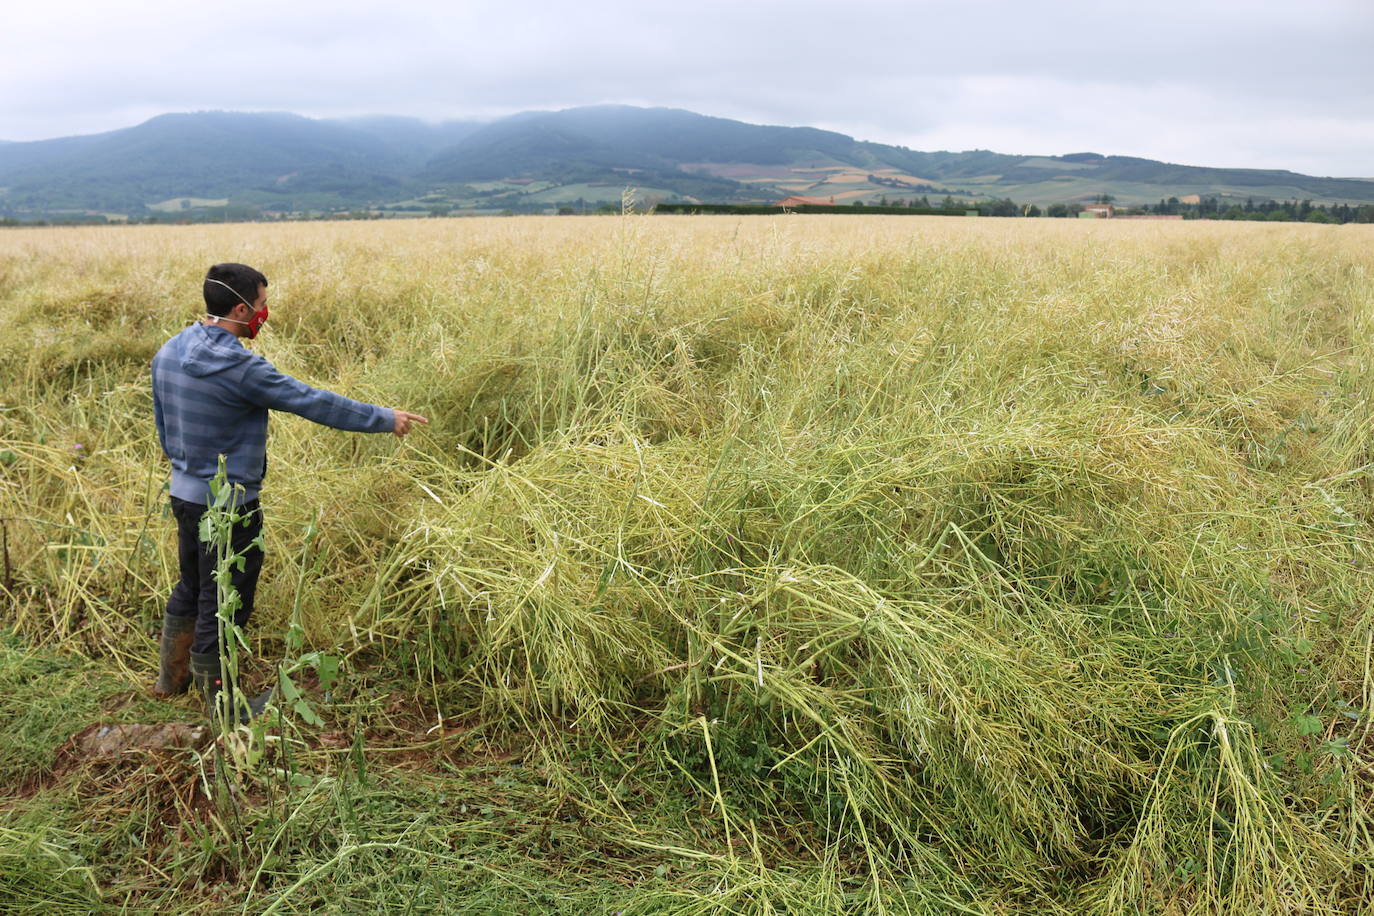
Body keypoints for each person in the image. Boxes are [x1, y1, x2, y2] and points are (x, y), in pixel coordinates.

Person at [150, 262, 427, 720]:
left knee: (193, 584)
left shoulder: (170, 350)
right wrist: (384, 418)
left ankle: (170, 681)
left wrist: (186, 472)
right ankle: (225, 708)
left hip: (184, 494)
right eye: (260, 305)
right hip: (229, 506)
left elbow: (162, 425)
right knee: (224, 602)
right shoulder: (240, 368)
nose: (264, 313)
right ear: (240, 308)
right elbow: (312, 401)